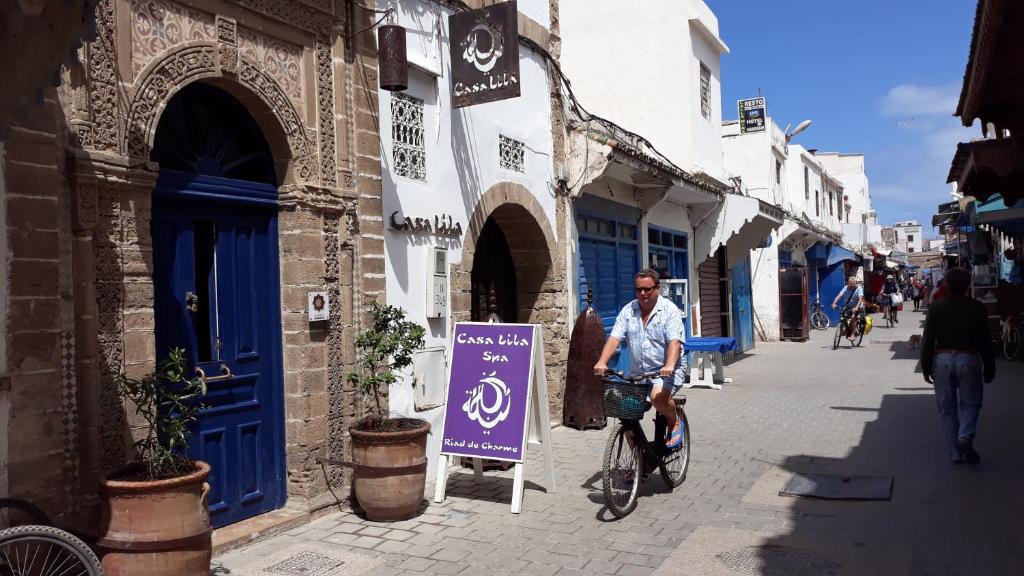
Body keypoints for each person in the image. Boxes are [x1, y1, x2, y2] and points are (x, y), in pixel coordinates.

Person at [594, 269, 686, 448]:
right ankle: (638, 461)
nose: (643, 293)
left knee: (657, 397)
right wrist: (602, 361)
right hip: (639, 373)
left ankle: (674, 421)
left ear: (657, 288)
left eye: (647, 289)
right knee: (625, 410)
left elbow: (675, 342)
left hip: (667, 371)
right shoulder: (629, 310)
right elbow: (614, 338)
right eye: (639, 290)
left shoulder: (669, 311)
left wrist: (669, 364)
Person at [920, 267, 995, 465]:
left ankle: (955, 452)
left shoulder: (937, 307)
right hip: (968, 358)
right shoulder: (977, 307)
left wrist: (926, 367)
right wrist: (989, 367)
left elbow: (927, 340)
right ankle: (965, 435)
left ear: (946, 284)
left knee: (947, 407)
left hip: (943, 359)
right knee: (971, 403)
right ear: (967, 285)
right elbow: (985, 340)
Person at [831, 276, 864, 341]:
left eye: (853, 284)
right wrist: (834, 303)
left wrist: (856, 307)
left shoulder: (859, 289)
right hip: (848, 306)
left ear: (855, 283)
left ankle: (853, 334)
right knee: (844, 315)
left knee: (853, 317)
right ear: (848, 283)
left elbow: (860, 299)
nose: (851, 286)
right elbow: (839, 295)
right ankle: (846, 328)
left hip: (858, 306)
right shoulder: (846, 288)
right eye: (850, 284)